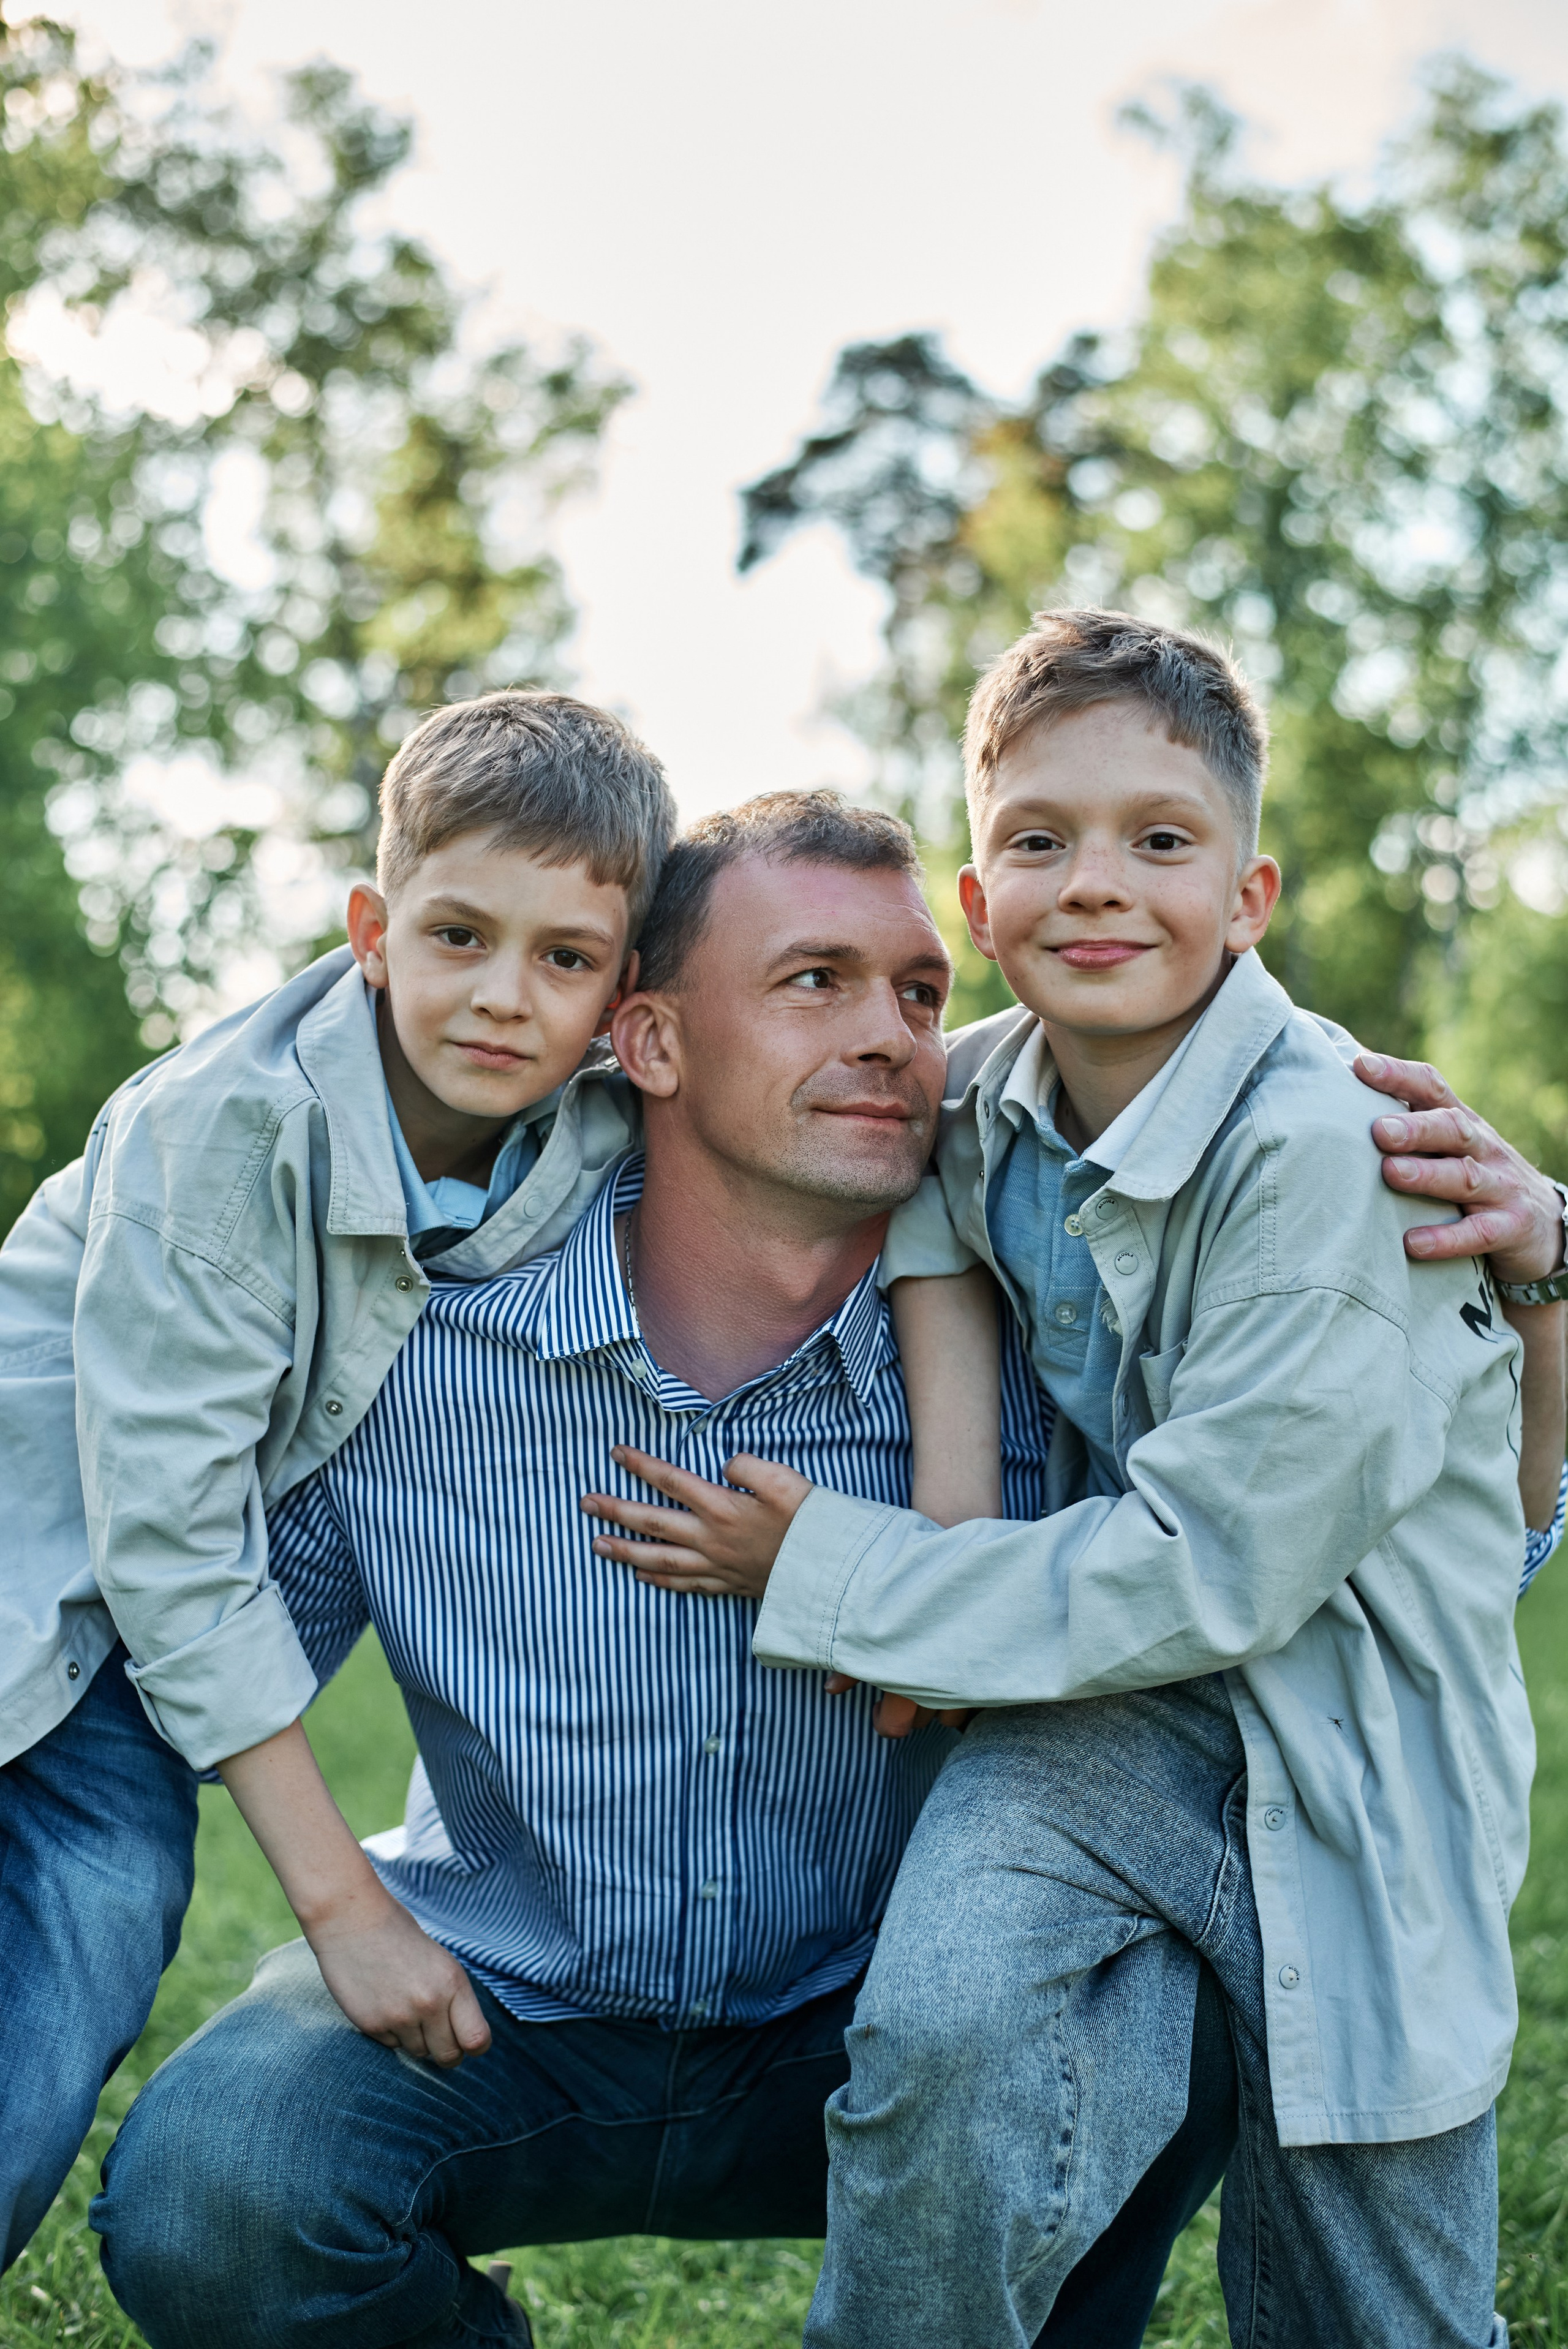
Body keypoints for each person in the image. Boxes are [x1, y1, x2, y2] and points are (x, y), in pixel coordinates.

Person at [96, 791, 1562, 2349]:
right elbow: (221, 1625)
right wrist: (335, 1907)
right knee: (215, 2181)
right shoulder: (426, 1346)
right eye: (813, 983)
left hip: (901, 2028)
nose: (891, 1039)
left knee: (1147, 1997)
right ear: (647, 1043)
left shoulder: (1042, 1373)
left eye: (920, 994)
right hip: (508, 2007)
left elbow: (1381, 1556)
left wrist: (1537, 1288)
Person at [576, 614, 1568, 2349]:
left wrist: (856, 1575)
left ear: (1250, 896)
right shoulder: (988, 1096)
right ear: (978, 900)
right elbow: (913, 1198)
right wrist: (956, 1551)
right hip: (1110, 1710)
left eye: (1159, 840)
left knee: (1373, 2285)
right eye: (1039, 839)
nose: (1096, 884)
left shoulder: (1332, 1157)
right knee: (939, 2034)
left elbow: (1218, 1571)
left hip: (1348, 1728)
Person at [0, 690, 674, 2269]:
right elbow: (166, 1544)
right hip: (47, 1587)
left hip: (142, 1636)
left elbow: (840, 1054)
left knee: (80, 1935)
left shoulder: (579, 1114)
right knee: (86, 1912)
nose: (504, 996)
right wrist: (350, 1911)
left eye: (564, 958)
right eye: (458, 935)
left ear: (624, 991)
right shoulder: (226, 1131)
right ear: (372, 927)